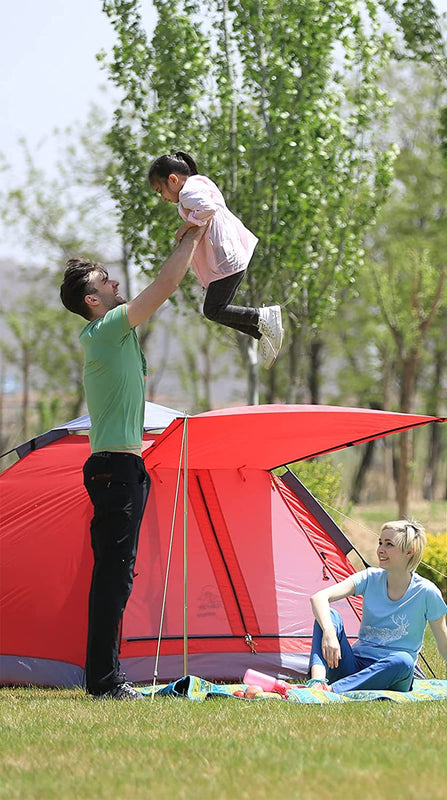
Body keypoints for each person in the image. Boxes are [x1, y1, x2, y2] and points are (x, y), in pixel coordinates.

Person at [59, 227, 204, 700]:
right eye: (106, 281)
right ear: (92, 299)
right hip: (113, 472)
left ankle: (105, 677)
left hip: (124, 470)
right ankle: (103, 682)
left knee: (118, 575)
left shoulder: (113, 334)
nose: (116, 284)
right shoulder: (104, 330)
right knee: (113, 577)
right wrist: (192, 237)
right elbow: (164, 287)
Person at [148, 151, 283, 367]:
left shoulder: (187, 193)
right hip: (232, 252)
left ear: (173, 180)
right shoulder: (200, 183)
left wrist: (186, 226)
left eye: (160, 190)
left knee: (213, 309)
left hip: (225, 257)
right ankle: (262, 331)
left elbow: (207, 208)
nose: (163, 198)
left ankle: (262, 317)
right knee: (216, 309)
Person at [308, 520, 447, 693]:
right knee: (330, 616)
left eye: (389, 545)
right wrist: (329, 631)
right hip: (354, 666)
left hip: (393, 674)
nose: (381, 549)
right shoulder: (370, 578)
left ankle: (332, 690)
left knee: (403, 661)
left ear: (409, 552)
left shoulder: (426, 592)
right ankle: (317, 683)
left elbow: (445, 646)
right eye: (380, 542)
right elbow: (319, 597)